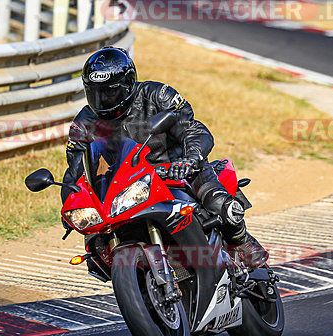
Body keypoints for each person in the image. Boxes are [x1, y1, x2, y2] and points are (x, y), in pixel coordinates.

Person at [61, 46, 269, 268]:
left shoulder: (157, 95)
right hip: (127, 186)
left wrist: (190, 160)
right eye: (96, 93)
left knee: (217, 203)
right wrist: (70, 204)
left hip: (177, 170)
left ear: (129, 84)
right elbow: (76, 170)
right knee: (96, 245)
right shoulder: (84, 122)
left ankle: (242, 242)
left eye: (110, 92)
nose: (104, 99)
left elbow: (193, 130)